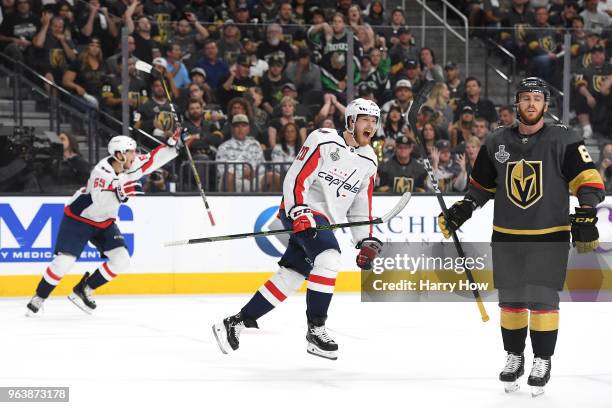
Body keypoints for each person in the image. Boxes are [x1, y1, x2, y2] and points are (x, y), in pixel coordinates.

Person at [437, 77, 605, 396]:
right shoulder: (496, 140)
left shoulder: (564, 138)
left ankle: (542, 360)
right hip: (506, 235)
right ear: (516, 104)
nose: (531, 104)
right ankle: (514, 357)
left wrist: (586, 210)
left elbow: (589, 180)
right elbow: (481, 187)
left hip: (549, 235)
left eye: (537, 99)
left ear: (545, 105)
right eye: (525, 98)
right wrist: (465, 206)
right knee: (511, 303)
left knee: (543, 302)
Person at [213, 98, 382, 360]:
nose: (370, 126)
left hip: (324, 223)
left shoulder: (369, 160)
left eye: (374, 121)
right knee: (329, 258)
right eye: (365, 120)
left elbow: (362, 206)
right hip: (303, 212)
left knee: (290, 275)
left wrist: (365, 240)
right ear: (351, 121)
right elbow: (296, 178)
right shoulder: (323, 140)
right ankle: (316, 329)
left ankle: (235, 322)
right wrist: (299, 211)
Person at [26, 132, 185, 315]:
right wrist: (123, 190)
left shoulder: (129, 164)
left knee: (122, 260)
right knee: (64, 262)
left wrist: (174, 144)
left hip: (104, 222)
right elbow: (101, 200)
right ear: (119, 154)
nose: (135, 155)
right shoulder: (101, 172)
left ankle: (84, 288)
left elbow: (152, 159)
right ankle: (39, 297)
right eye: (131, 152)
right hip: (79, 219)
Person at [215, 114, 264, 192]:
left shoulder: (256, 145)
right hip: (234, 181)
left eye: (243, 126)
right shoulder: (223, 147)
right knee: (228, 177)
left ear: (248, 129)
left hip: (254, 179)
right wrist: (242, 174)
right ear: (232, 129)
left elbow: (263, 166)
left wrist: (253, 172)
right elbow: (221, 171)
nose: (240, 129)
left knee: (272, 177)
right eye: (237, 126)